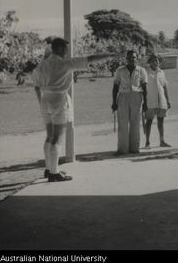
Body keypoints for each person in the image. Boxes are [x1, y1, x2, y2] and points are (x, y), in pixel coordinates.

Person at [32, 37, 114, 182]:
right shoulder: (65, 64)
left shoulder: (41, 65)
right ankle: (54, 173)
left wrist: (41, 104)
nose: (66, 52)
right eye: (65, 49)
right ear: (59, 48)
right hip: (58, 100)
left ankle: (49, 168)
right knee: (56, 138)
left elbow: (36, 87)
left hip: (45, 100)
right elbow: (90, 59)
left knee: (49, 136)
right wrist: (110, 55)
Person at [112, 50, 147, 155]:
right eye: (129, 58)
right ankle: (122, 149)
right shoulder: (120, 70)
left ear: (137, 58)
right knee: (122, 123)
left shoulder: (141, 70)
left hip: (137, 96)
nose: (132, 59)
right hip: (123, 96)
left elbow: (145, 87)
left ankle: (134, 148)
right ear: (126, 59)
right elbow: (115, 87)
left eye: (134, 57)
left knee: (135, 123)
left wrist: (146, 103)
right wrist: (114, 102)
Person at [144, 54, 171, 149]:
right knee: (149, 121)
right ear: (150, 62)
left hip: (161, 100)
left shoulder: (161, 72)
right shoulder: (146, 71)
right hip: (150, 100)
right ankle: (147, 142)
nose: (155, 62)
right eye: (153, 61)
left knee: (161, 120)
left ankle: (162, 141)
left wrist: (167, 100)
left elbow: (164, 86)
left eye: (157, 61)